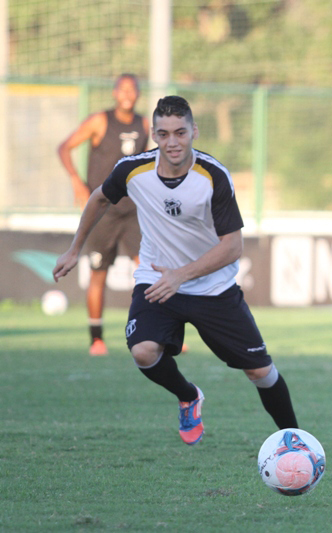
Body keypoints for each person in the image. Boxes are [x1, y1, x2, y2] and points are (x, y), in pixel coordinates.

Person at [53, 96, 298, 445]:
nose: (173, 142)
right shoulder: (133, 169)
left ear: (194, 131)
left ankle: (296, 439)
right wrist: (75, 248)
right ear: (153, 134)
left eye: (180, 132)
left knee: (260, 371)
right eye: (164, 134)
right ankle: (188, 396)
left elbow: (232, 247)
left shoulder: (213, 176)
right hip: (157, 278)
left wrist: (181, 275)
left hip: (212, 288)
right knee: (142, 351)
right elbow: (100, 198)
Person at [57, 74, 149, 356]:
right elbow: (65, 147)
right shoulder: (100, 121)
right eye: (122, 89)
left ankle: (158, 332)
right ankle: (96, 339)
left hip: (132, 210)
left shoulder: (145, 124)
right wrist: (75, 180)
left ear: (138, 94)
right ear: (114, 92)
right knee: (98, 274)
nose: (127, 94)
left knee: (148, 271)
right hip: (103, 212)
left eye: (132, 89)